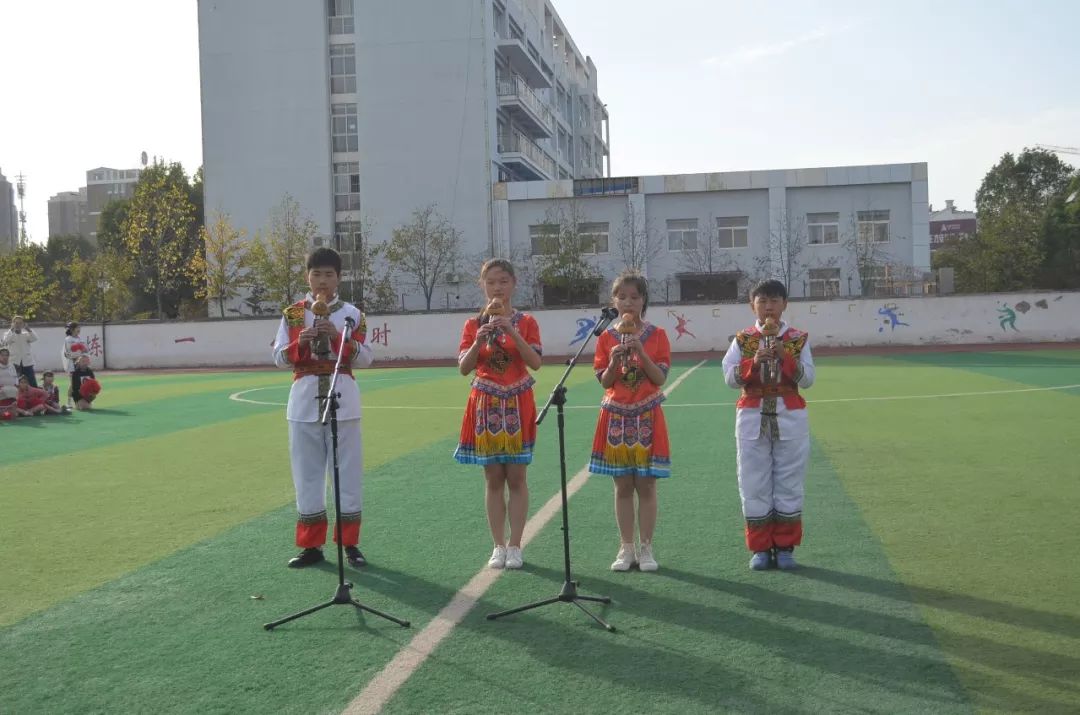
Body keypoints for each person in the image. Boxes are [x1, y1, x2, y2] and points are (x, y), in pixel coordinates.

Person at [272, 247, 374, 569]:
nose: (322, 281)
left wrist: (339, 340)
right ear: (307, 276)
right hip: (303, 401)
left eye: (329, 275)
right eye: (316, 274)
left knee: (347, 473)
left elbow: (367, 358)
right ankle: (311, 546)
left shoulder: (352, 314)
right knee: (307, 474)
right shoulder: (292, 314)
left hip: (343, 398)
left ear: (339, 278)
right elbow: (277, 358)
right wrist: (298, 343)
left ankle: (350, 543)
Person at [454, 258, 542, 570]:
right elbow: (464, 368)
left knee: (517, 476)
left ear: (513, 284)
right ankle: (497, 545)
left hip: (518, 401)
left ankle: (516, 545)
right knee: (493, 478)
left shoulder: (527, 321)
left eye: (503, 281)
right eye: (491, 282)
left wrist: (512, 331)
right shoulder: (473, 324)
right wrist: (480, 339)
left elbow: (535, 362)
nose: (498, 288)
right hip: (486, 402)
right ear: (482, 285)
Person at [722, 279, 815, 571]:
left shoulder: (798, 338)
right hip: (752, 415)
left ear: (784, 304)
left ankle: (785, 547)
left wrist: (785, 358)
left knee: (789, 481)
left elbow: (808, 380)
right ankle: (760, 548)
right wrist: (753, 363)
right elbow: (729, 379)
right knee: (753, 481)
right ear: (753, 306)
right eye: (762, 301)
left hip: (790, 415)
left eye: (774, 300)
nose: (768, 307)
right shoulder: (743, 339)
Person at [589, 272, 672, 572]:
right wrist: (613, 361)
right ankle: (626, 548)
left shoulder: (658, 335)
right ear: (613, 300)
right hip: (616, 415)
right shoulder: (605, 338)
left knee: (646, 484)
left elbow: (660, 377)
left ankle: (647, 548)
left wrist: (640, 352)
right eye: (622, 297)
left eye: (634, 297)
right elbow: (605, 381)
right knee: (622, 485)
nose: (628, 302)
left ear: (643, 300)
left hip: (647, 412)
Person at [1, 316, 38, 387]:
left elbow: (35, 338)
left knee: (32, 382)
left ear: (23, 324)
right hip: (14, 362)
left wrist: (28, 329)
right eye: (16, 323)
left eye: (20, 323)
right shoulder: (9, 334)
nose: (18, 325)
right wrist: (11, 330)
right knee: (16, 383)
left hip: (27, 362)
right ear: (12, 324)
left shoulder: (26, 334)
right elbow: (5, 341)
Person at [62, 322, 87, 410]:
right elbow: (68, 353)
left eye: (80, 327)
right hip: (71, 364)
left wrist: (84, 355)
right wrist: (77, 355)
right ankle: (69, 402)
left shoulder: (80, 339)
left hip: (80, 364)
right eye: (77, 327)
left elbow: (85, 350)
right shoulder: (68, 339)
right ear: (72, 329)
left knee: (80, 383)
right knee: (73, 384)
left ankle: (79, 401)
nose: (79, 329)